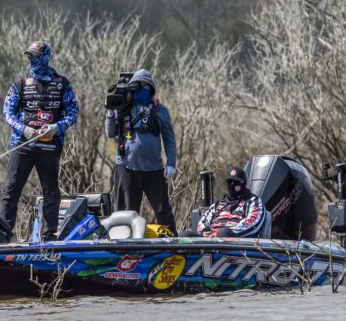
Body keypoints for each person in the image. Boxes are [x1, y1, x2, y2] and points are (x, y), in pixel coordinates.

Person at [0, 41, 79, 241]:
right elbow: (7, 111)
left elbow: (74, 112)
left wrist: (56, 127)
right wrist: (23, 129)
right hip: (23, 143)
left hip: (49, 145)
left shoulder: (62, 83)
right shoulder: (20, 82)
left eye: (35, 56)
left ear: (45, 56)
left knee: (51, 191)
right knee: (11, 188)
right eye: (29, 56)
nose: (32, 60)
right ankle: (3, 234)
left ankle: (48, 236)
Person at [105, 69, 178, 235]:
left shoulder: (159, 110)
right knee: (124, 212)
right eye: (139, 85)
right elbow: (110, 133)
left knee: (163, 210)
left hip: (154, 169)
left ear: (152, 88)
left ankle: (174, 245)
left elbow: (169, 138)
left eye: (147, 85)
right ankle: (121, 246)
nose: (143, 89)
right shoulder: (123, 107)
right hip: (126, 167)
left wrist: (171, 163)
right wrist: (110, 111)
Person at [182, 167, 266, 238]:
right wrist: (204, 232)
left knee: (223, 233)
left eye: (236, 182)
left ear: (243, 183)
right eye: (230, 182)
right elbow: (203, 221)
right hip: (211, 238)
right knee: (185, 235)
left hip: (235, 239)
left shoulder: (253, 201)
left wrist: (220, 233)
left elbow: (253, 223)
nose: (232, 184)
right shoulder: (219, 203)